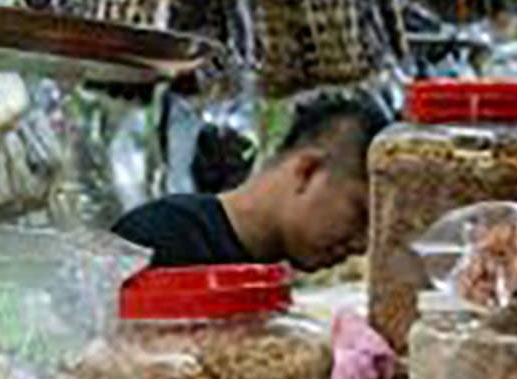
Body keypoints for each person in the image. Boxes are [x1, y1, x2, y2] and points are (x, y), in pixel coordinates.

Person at [113, 96, 389, 271]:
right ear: (307, 171)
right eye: (360, 213)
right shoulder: (155, 239)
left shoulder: (270, 278)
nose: (363, 244)